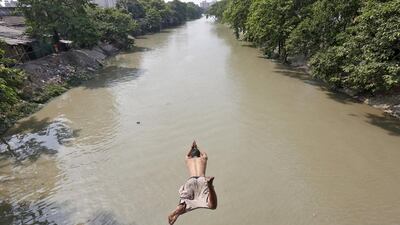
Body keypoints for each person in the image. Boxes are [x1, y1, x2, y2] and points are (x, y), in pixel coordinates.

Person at [168, 142, 218, 225]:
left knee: (185, 201)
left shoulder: (188, 160)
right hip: (202, 180)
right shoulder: (203, 158)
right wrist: (197, 147)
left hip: (190, 181)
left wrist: (191, 148)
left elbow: (187, 156)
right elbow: (204, 154)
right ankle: (210, 186)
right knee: (212, 206)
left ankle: (177, 212)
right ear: (199, 155)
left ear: (191, 155)